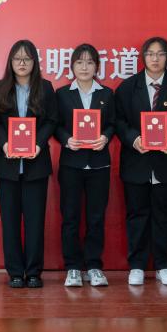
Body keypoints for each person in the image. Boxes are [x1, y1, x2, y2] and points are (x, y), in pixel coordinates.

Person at [114, 36, 167, 286]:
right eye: (150, 54)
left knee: (164, 215)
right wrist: (133, 139)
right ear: (143, 57)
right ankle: (137, 266)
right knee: (136, 215)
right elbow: (118, 121)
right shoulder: (128, 87)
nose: (155, 58)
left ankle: (163, 265)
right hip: (136, 162)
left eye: (161, 54)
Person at [0, 40, 58, 288]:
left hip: (35, 165)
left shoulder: (45, 88)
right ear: (10, 61)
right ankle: (15, 272)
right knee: (9, 222)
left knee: (34, 221)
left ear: (34, 62)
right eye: (17, 58)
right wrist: (5, 144)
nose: (22, 63)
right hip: (7, 165)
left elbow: (51, 121)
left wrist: (38, 144)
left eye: (27, 59)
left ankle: (34, 272)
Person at [55, 43, 115, 287]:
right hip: (71, 164)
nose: (84, 67)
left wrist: (106, 137)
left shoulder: (107, 94)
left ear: (97, 67)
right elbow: (55, 124)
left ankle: (93, 266)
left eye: (90, 62)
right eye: (79, 62)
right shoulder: (62, 94)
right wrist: (66, 139)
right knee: (70, 217)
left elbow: (113, 124)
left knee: (96, 218)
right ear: (72, 66)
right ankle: (72, 267)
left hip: (99, 165)